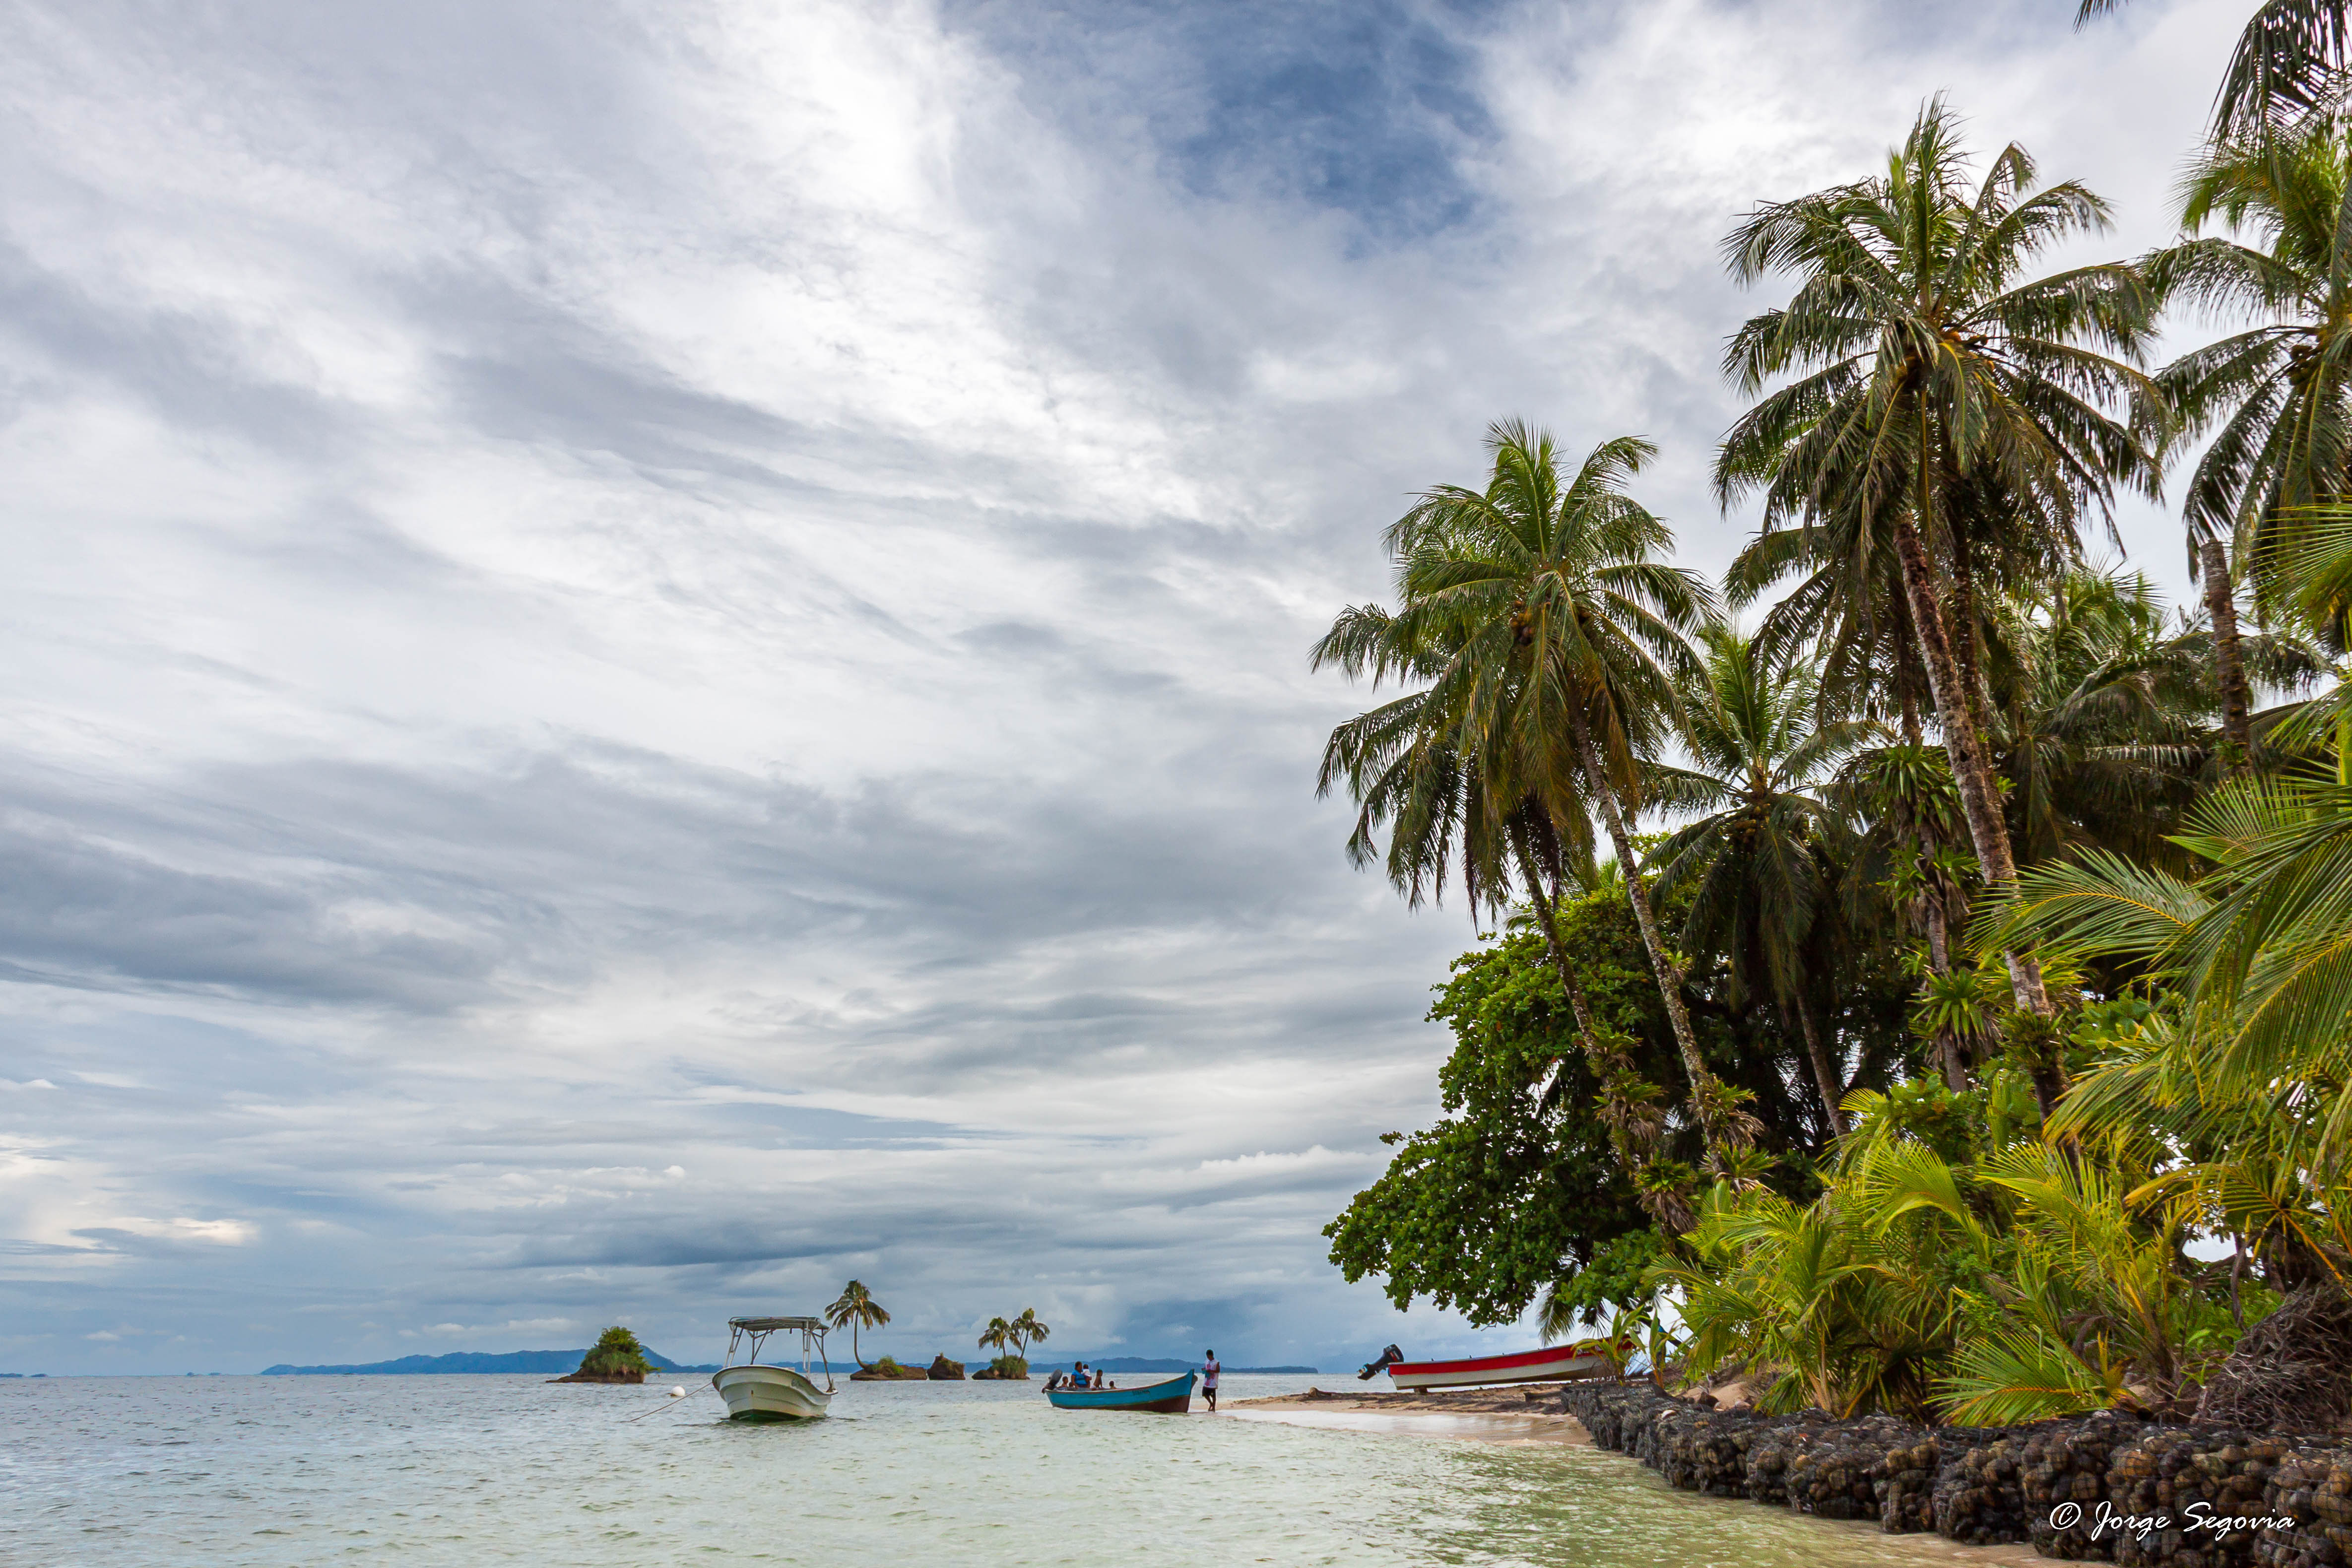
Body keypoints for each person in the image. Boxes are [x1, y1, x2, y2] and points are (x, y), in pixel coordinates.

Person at [1201, 1348, 1220, 1412]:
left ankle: (1214, 1408)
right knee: (1204, 1394)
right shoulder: (1207, 1361)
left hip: (1213, 1382)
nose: (1208, 1358)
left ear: (1212, 1355)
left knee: (1213, 1396)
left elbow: (1218, 1371)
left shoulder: (1216, 1362)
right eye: (1207, 1356)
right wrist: (1204, 1369)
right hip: (1207, 1381)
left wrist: (1211, 1371)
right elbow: (1206, 1367)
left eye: (1209, 1356)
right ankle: (1211, 1404)